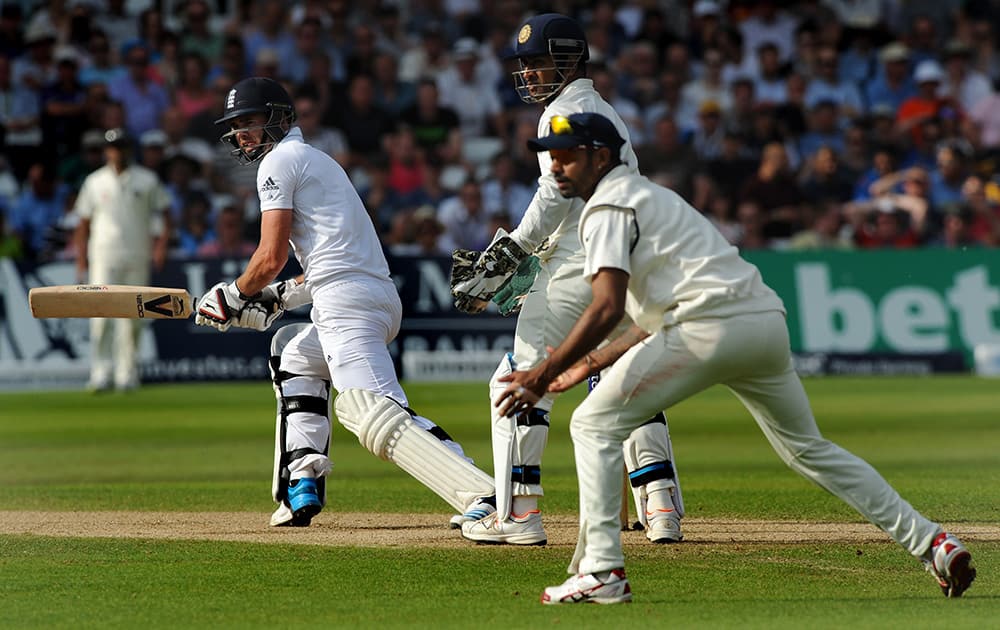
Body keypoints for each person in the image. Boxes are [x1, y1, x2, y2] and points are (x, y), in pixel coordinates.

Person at [497, 111, 976, 604]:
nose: (555, 167)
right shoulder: (656, 198)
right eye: (550, 157)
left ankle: (602, 570)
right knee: (810, 450)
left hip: (706, 330)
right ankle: (933, 542)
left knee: (593, 425)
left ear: (601, 156)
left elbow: (606, 306)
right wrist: (595, 363)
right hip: (763, 325)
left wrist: (542, 374)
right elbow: (652, 311)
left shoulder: (606, 208)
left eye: (567, 156)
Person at [193, 77, 494, 528]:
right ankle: (302, 481)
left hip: (346, 304)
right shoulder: (319, 161)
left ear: (281, 118)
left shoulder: (277, 163)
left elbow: (270, 257)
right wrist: (278, 299)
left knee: (372, 411)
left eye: (251, 122)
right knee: (293, 354)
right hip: (366, 293)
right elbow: (330, 262)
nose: (242, 135)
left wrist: (233, 294)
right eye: (236, 127)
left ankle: (481, 493)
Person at [451, 14, 685, 546]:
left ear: (573, 60)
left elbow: (558, 191)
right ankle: (661, 505)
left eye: (540, 62)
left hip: (577, 266)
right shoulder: (606, 112)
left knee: (517, 381)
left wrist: (515, 246)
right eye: (525, 65)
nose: (530, 74)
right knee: (625, 380)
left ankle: (518, 515)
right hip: (626, 261)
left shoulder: (560, 111)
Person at [73, 128, 171, 392]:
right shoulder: (94, 182)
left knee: (132, 319)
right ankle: (101, 372)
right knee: (101, 317)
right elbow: (83, 223)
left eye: (123, 146)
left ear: (129, 149)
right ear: (107, 151)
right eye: (114, 147)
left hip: (137, 254)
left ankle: (128, 374)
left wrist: (160, 247)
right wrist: (81, 260)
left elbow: (165, 214)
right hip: (103, 255)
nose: (118, 152)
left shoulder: (147, 180)